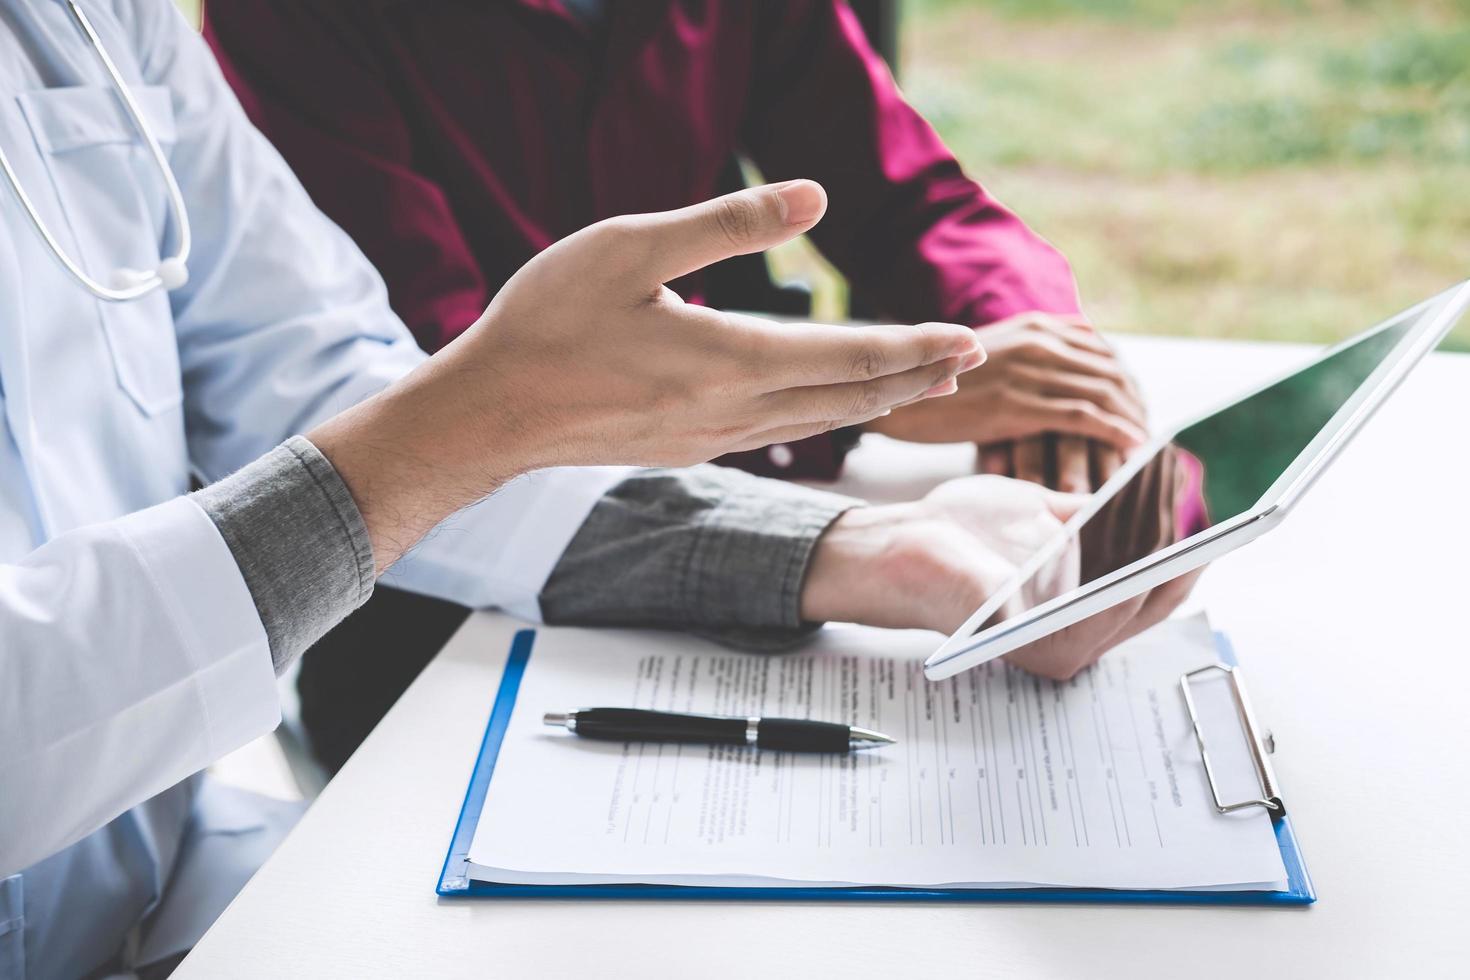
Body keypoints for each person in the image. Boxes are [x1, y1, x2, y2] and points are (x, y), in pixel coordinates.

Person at [0, 2, 1191, 976]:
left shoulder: (99, 25)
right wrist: (860, 398)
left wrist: (854, 544)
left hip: (181, 877)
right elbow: (446, 403)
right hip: (384, 667)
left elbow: (333, 385)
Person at [204, 0, 1157, 770]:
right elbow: (421, 381)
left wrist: (1030, 357)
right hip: (441, 614)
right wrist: (863, 396)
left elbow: (910, 195)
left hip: (752, 520)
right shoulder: (293, 21)